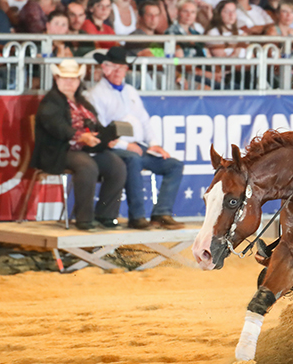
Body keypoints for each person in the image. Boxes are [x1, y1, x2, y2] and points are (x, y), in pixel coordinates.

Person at [87, 47, 185, 230]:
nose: (118, 72)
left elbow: (144, 120)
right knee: (132, 160)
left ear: (126, 69)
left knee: (174, 165)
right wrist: (126, 144)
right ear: (105, 68)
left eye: (122, 67)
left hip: (140, 147)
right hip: (114, 149)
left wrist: (154, 144)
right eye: (114, 67)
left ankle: (161, 213)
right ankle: (137, 216)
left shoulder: (130, 90)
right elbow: (100, 132)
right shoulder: (95, 94)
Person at [33, 59, 126, 231]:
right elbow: (56, 127)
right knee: (86, 166)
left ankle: (106, 216)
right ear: (57, 79)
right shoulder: (50, 101)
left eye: (73, 79)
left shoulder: (82, 102)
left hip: (85, 150)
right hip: (58, 151)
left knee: (116, 165)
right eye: (65, 78)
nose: (69, 82)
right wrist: (80, 136)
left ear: (78, 81)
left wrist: (105, 137)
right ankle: (84, 219)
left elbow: (96, 124)